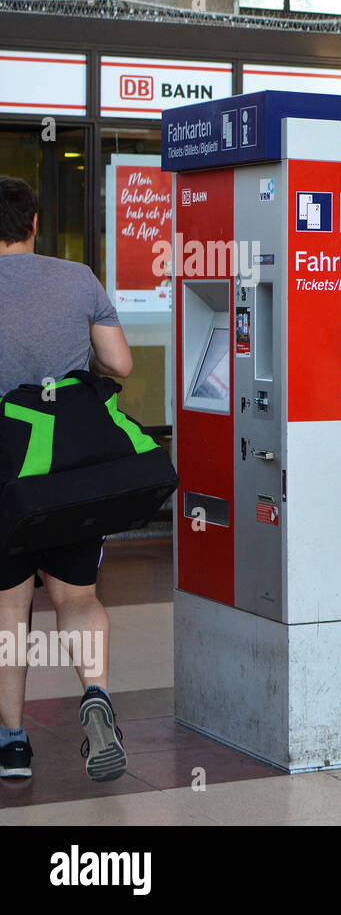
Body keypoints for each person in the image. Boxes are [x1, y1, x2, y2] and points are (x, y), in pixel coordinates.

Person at [0, 176, 134, 781]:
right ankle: (97, 698)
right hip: (67, 466)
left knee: (9, 607)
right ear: (34, 224)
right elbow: (120, 364)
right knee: (76, 596)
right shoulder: (76, 278)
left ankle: (13, 743)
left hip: (7, 470)